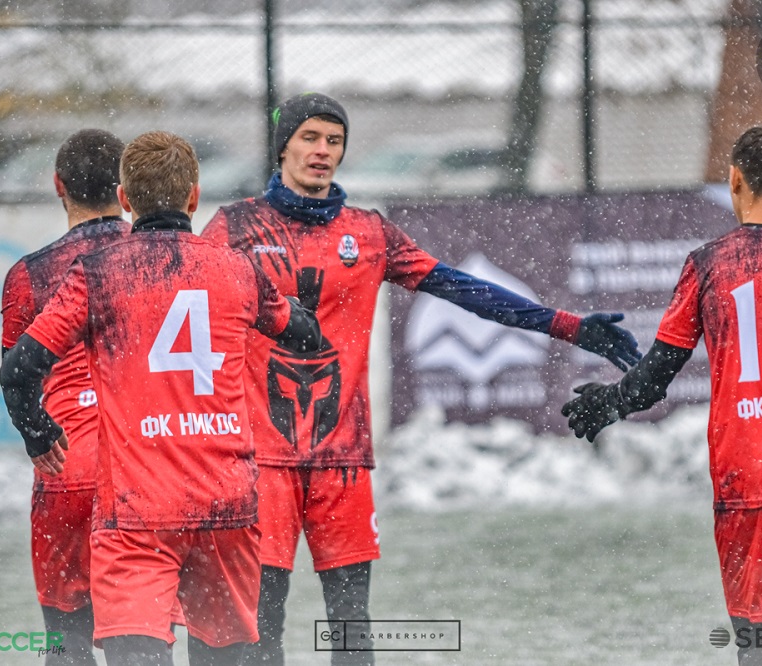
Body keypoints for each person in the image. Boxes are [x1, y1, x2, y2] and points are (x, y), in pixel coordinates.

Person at [200, 92, 641, 665]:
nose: (322, 151)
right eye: (309, 138)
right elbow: (182, 308)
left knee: (351, 626)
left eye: (334, 140)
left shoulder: (369, 232)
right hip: (261, 460)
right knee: (262, 624)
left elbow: (464, 289)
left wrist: (568, 326)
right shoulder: (233, 227)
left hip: (343, 459)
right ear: (283, 146)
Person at [561, 126, 762, 666]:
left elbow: (654, 379)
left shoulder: (710, 264)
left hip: (754, 474)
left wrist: (609, 402)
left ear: (735, 179)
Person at [0, 130, 321, 666]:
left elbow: (18, 370)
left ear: (126, 198)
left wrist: (39, 432)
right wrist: (298, 308)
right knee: (224, 656)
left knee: (94, 646)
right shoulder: (238, 269)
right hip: (224, 499)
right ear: (194, 197)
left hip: (136, 503)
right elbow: (304, 335)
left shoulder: (98, 274)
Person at [1, 128, 128, 665]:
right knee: (142, 636)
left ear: (58, 185)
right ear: (124, 190)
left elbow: (16, 375)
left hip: (68, 466)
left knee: (66, 642)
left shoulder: (29, 274)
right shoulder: (157, 258)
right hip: (143, 464)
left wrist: (38, 437)